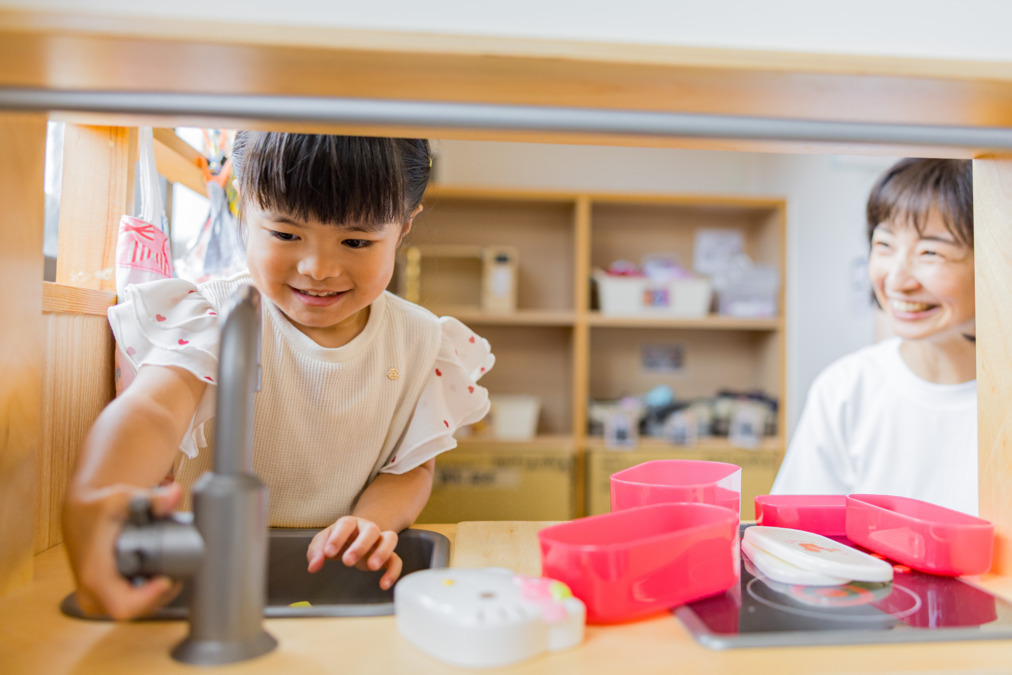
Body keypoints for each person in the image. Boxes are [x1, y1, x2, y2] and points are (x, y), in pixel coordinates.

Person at [62, 132, 494, 619]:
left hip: (328, 579)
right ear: (245, 205)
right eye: (286, 235)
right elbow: (153, 410)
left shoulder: (421, 340)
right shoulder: (215, 315)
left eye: (356, 241)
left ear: (404, 227)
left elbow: (410, 468)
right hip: (203, 575)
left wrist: (368, 523)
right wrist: (96, 494)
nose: (318, 268)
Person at [772, 158, 977, 515]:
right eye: (884, 245)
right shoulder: (847, 389)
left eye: (931, 252)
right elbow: (793, 539)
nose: (897, 279)